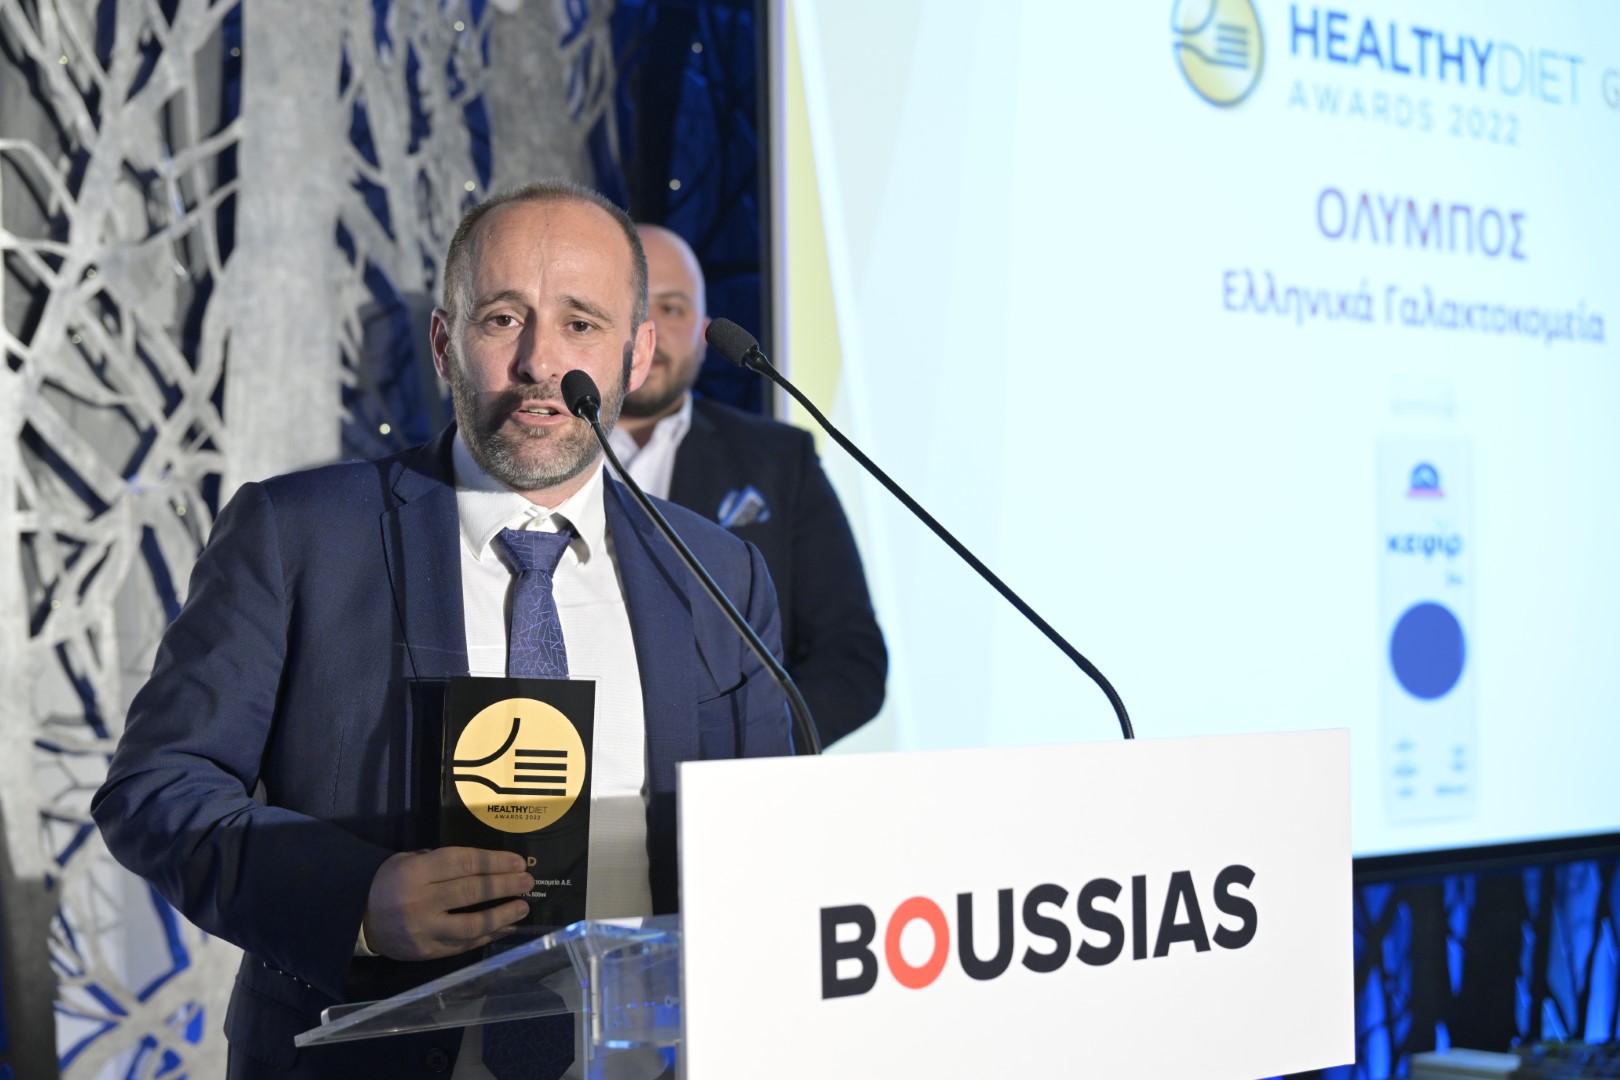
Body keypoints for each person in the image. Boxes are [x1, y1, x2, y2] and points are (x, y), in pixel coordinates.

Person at [92, 181, 793, 1079]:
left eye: (581, 323)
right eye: (503, 318)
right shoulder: (299, 535)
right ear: (443, 343)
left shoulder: (719, 572)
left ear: (638, 351)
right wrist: (355, 899)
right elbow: (156, 790)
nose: (541, 360)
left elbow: (770, 837)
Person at [610, 224, 886, 747]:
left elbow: (851, 662)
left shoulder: (779, 461)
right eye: (634, 307)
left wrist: (748, 755)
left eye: (672, 309)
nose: (652, 331)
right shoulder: (534, 452)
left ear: (704, 329)